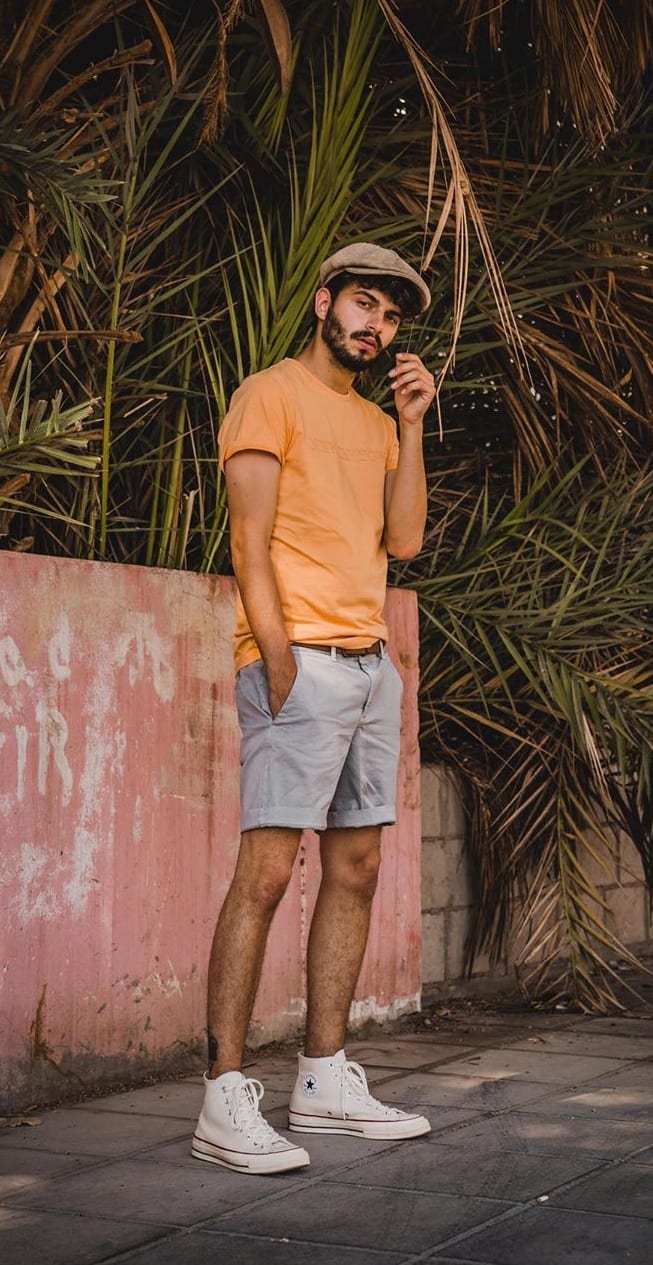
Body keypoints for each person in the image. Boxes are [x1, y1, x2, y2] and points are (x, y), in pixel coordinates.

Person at [192, 242, 435, 1175]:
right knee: (264, 872)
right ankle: (222, 1092)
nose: (375, 326)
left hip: (370, 666)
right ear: (327, 300)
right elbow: (247, 541)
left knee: (358, 865)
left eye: (391, 317)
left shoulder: (376, 425)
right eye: (364, 304)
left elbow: (404, 540)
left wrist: (412, 423)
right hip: (299, 664)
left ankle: (323, 1078)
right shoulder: (269, 394)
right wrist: (280, 659)